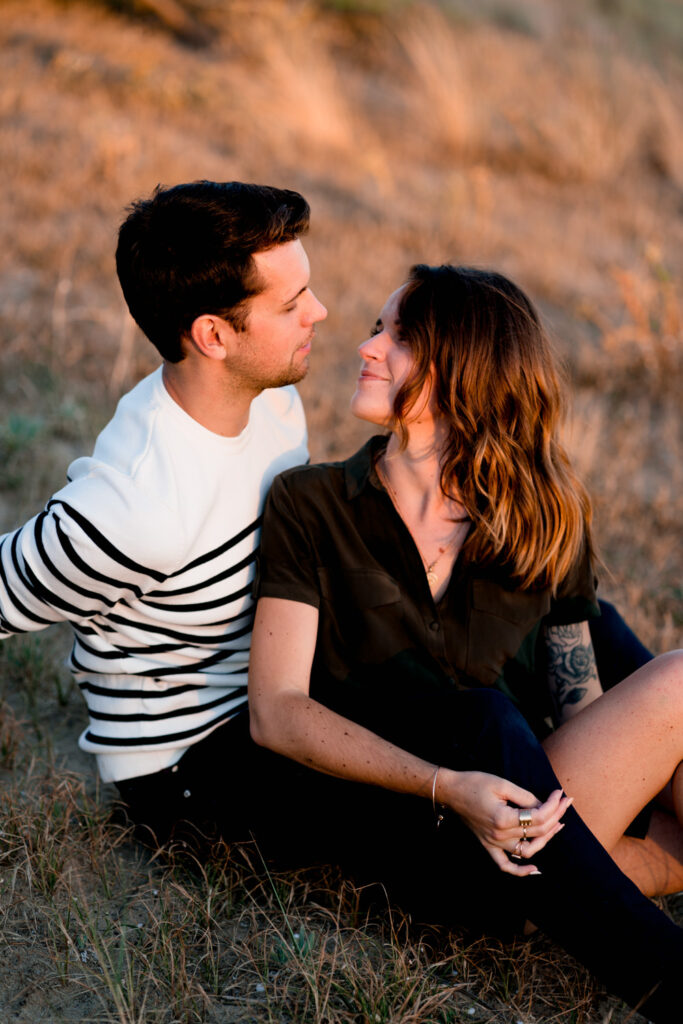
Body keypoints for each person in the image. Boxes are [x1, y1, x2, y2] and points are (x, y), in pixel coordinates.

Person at [248, 265, 683, 1021]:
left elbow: (576, 695)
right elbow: (276, 713)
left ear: (466, 370)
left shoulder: (542, 514)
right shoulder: (312, 504)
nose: (366, 346)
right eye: (377, 328)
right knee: (484, 719)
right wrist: (447, 785)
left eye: (397, 335)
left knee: (647, 682)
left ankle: (569, 891)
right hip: (413, 823)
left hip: (524, 830)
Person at [0, 180, 327, 836]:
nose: (317, 312)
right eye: (292, 303)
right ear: (212, 335)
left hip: (280, 686)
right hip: (190, 772)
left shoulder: (272, 400)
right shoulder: (137, 512)